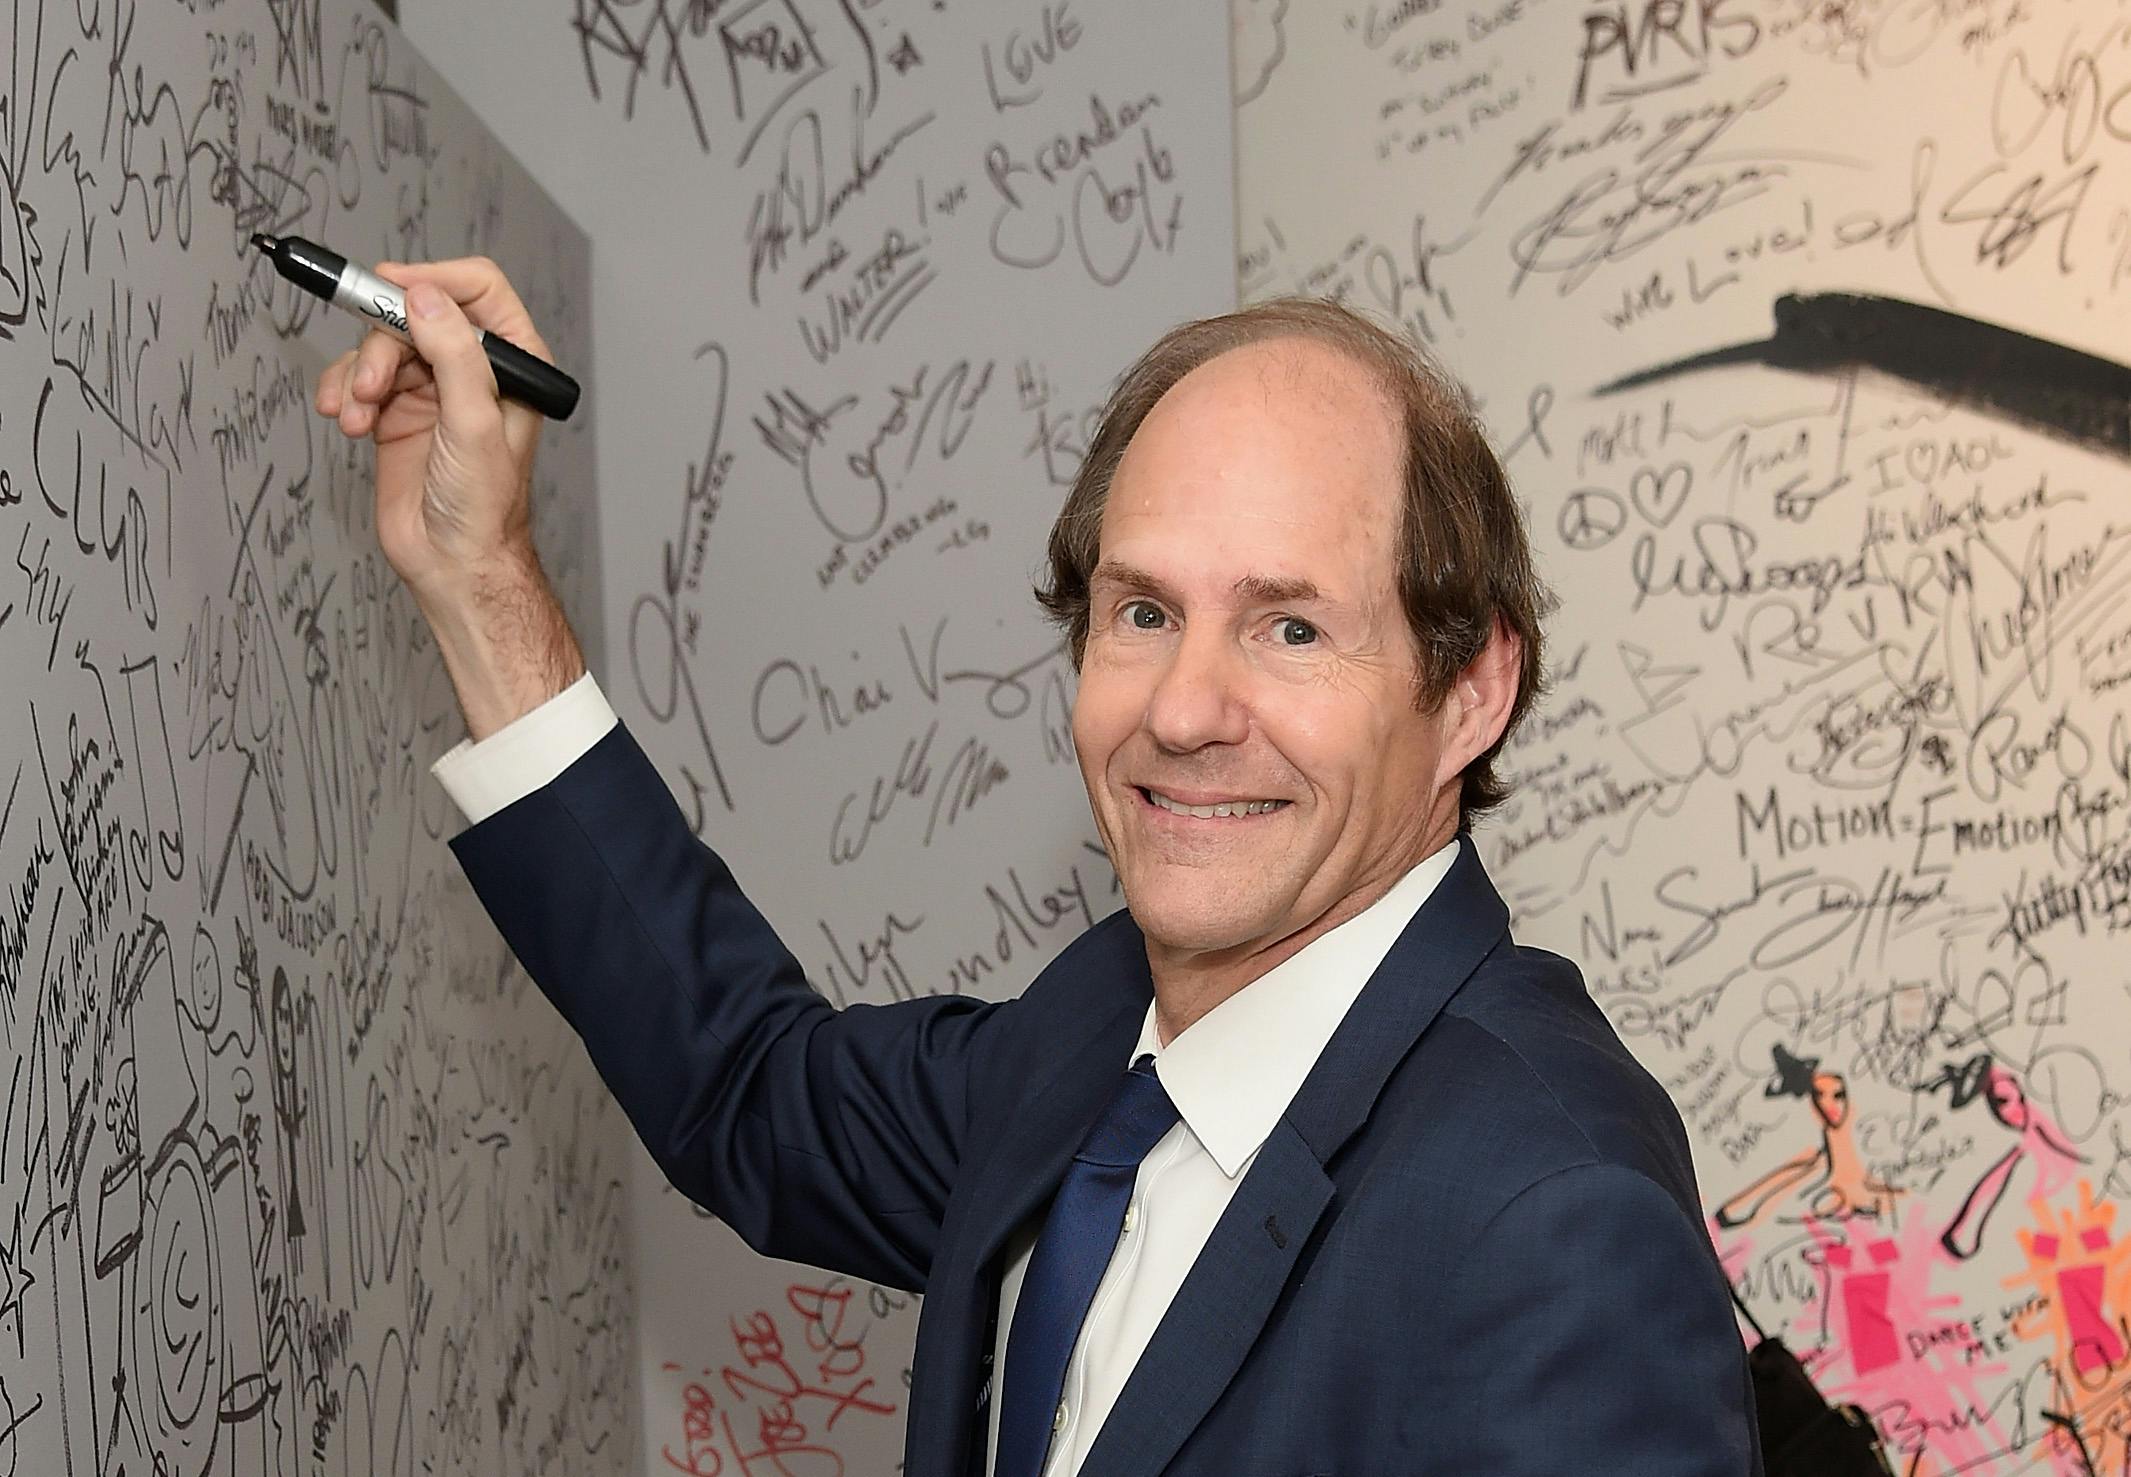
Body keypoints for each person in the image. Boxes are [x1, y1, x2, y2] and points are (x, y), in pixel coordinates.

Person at [314, 261, 1761, 1476]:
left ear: (1471, 691)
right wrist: (481, 576)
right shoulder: (1097, 1041)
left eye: (1291, 629)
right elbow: (752, 1088)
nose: (1183, 711)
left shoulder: (1550, 1221)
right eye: (1143, 612)